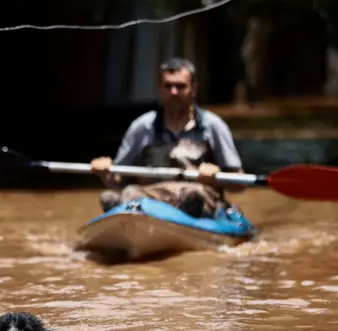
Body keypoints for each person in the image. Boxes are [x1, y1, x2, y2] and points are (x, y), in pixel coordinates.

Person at [90, 57, 246, 218]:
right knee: (129, 192)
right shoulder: (142, 127)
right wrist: (105, 173)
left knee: (194, 193)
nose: (173, 92)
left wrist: (216, 176)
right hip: (152, 199)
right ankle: (123, 212)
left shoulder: (213, 126)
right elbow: (118, 180)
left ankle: (185, 218)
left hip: (196, 198)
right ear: (159, 88)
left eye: (180, 86)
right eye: (168, 86)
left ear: (194, 89)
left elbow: (240, 183)